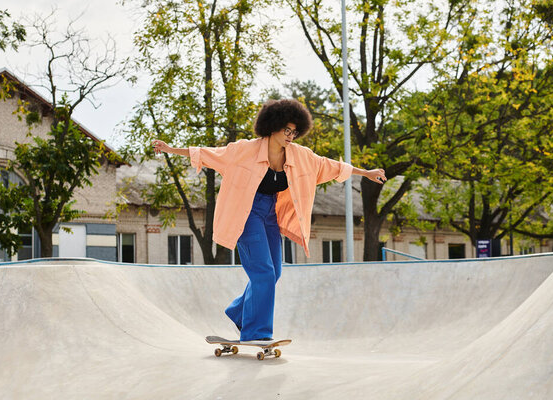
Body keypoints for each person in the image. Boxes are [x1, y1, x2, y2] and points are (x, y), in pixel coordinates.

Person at [152, 99, 386, 345]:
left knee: (274, 272)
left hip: (271, 215)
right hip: (246, 213)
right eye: (287, 130)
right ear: (272, 126)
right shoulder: (246, 150)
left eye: (295, 132)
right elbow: (211, 153)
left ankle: (239, 312)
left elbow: (329, 165)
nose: (290, 136)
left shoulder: (300, 156)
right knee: (263, 272)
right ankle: (256, 332)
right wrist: (170, 149)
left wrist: (366, 173)